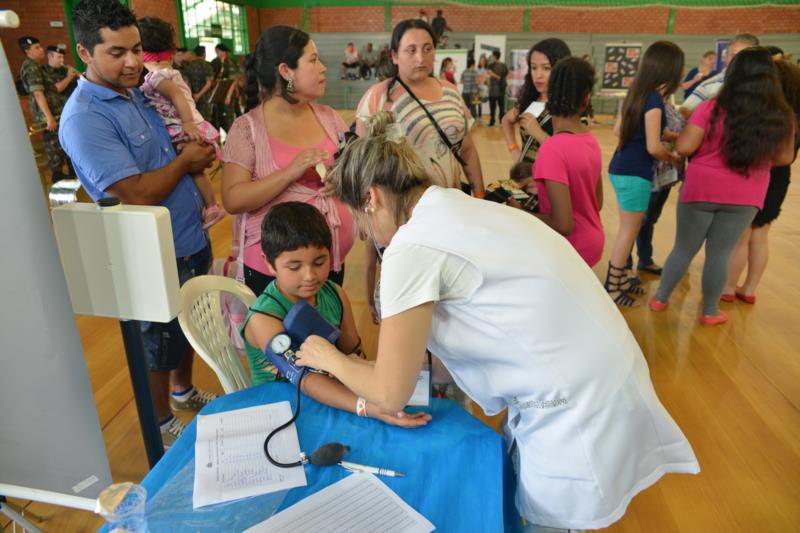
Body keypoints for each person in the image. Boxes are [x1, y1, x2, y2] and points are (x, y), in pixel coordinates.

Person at [295, 110, 700, 532]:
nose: (366, 236)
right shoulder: (461, 207)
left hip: (573, 405)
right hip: (601, 373)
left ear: (373, 197)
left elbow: (390, 393)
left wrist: (330, 358)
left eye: (361, 221)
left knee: (552, 524)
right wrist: (375, 370)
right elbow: (450, 345)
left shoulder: (411, 246)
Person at [60, 0, 218, 447]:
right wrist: (188, 160)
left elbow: (171, 148)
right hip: (150, 254)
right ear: (85, 53)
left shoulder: (138, 93)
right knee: (157, 342)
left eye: (136, 49)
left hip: (188, 236)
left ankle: (182, 391)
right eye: (116, 53)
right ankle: (161, 422)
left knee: (186, 327)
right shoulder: (86, 117)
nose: (131, 61)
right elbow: (134, 193)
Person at [241, 201, 431, 428]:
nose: (310, 275)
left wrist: (379, 392)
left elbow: (353, 354)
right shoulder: (263, 318)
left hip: (336, 397)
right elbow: (306, 379)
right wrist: (369, 407)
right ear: (269, 264)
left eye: (320, 262)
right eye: (294, 267)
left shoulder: (335, 294)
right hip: (280, 412)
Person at [650, 48, 796, 325]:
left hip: (701, 189)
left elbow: (684, 146)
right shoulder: (781, 116)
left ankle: (660, 299)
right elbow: (785, 157)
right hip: (745, 194)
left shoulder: (711, 108)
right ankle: (710, 312)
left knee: (684, 248)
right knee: (720, 253)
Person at [355, 18, 485, 324]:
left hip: (450, 211)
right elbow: (360, 163)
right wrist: (363, 213)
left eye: (427, 49)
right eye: (411, 50)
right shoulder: (378, 98)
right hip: (401, 219)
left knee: (448, 292)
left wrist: (480, 193)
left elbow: (466, 149)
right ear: (394, 55)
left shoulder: (451, 93)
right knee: (407, 296)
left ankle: (439, 360)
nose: (420, 57)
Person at [221, 26, 355, 297]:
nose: (323, 68)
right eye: (313, 60)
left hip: (328, 263)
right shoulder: (247, 129)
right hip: (273, 274)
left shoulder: (329, 118)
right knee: (280, 339)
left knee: (325, 336)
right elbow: (233, 199)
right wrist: (290, 172)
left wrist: (339, 179)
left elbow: (353, 173)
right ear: (286, 71)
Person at [606, 41, 684, 307]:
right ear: (670, 70)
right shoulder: (654, 100)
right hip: (635, 172)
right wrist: (672, 157)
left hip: (620, 167)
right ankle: (613, 288)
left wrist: (665, 135)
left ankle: (622, 279)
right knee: (628, 232)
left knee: (628, 229)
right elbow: (653, 146)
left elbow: (619, 129)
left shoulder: (638, 93)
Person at [722, 59, 800, 304]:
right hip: (779, 177)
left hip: (756, 173)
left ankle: (727, 287)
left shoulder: (767, 111)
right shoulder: (794, 114)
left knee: (741, 235)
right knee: (760, 235)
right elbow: (788, 157)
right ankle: (749, 288)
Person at [137, 17, 225, 230]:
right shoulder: (170, 72)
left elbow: (177, 96)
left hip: (183, 127)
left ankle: (212, 206)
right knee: (193, 170)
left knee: (191, 168)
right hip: (188, 124)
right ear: (172, 50)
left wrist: (187, 123)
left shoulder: (155, 77)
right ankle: (211, 205)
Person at [533, 57, 604, 267]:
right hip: (593, 240)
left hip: (572, 249)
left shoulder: (552, 148)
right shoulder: (590, 139)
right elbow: (596, 202)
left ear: (551, 94)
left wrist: (520, 214)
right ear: (586, 98)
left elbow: (563, 224)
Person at [501, 38, 571, 164]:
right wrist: (513, 149)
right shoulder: (531, 100)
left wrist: (538, 133)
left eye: (546, 68)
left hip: (552, 181)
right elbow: (506, 120)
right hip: (525, 177)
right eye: (533, 68)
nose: (538, 75)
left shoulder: (571, 106)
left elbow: (569, 154)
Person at [18, 36, 72, 183]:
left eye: (40, 46)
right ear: (27, 51)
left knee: (60, 144)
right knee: (53, 146)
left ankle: (63, 176)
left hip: (55, 112)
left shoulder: (37, 66)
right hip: (48, 115)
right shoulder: (31, 67)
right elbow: (37, 93)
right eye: (36, 48)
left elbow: (51, 89)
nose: (41, 49)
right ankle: (58, 178)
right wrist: (49, 117)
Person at [679, 33, 759, 119]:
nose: (738, 60)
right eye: (733, 55)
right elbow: (683, 111)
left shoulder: (767, 85)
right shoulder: (709, 85)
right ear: (726, 57)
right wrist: (712, 122)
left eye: (744, 56)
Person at [211, 42, 238, 133]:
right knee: (218, 117)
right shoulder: (215, 62)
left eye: (218, 51)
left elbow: (233, 80)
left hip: (227, 94)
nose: (217, 53)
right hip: (218, 93)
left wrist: (228, 96)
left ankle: (233, 138)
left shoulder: (229, 62)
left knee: (228, 118)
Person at [182, 45, 215, 120]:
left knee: (196, 120)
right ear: (204, 54)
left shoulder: (188, 65)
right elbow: (209, 84)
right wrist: (199, 95)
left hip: (192, 99)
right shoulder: (207, 65)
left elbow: (186, 83)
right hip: (205, 98)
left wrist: (193, 95)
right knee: (206, 121)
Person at [486, 50, 508, 126]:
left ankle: (500, 121)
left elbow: (500, 77)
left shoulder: (501, 66)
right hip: (493, 90)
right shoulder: (491, 65)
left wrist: (493, 74)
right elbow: (488, 77)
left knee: (500, 107)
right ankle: (493, 121)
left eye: (492, 56)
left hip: (500, 89)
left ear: (495, 56)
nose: (492, 57)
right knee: (493, 107)